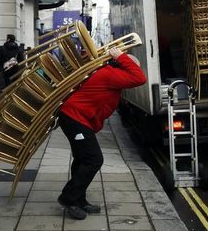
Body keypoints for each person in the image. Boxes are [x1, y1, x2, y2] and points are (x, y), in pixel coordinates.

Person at [57, 47, 147, 220]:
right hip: (74, 118)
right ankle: (68, 198)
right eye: (130, 68)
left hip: (77, 119)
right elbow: (139, 78)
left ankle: (79, 200)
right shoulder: (110, 74)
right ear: (123, 66)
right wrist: (121, 56)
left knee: (82, 159)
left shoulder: (112, 78)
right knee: (94, 159)